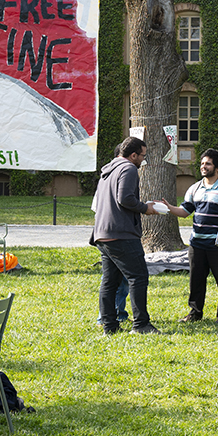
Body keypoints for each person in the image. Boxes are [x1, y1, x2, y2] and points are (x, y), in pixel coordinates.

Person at [91, 136, 163, 336]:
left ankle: (109, 327)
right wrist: (145, 208)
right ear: (133, 155)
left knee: (109, 281)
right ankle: (141, 325)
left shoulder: (108, 169)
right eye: (142, 156)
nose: (143, 160)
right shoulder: (128, 168)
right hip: (121, 233)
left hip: (102, 234)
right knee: (138, 277)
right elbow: (125, 199)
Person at [166, 147, 218, 324]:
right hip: (197, 244)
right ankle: (195, 312)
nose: (203, 167)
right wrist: (168, 207)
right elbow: (185, 211)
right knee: (196, 280)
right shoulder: (194, 188)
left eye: (208, 164)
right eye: (202, 163)